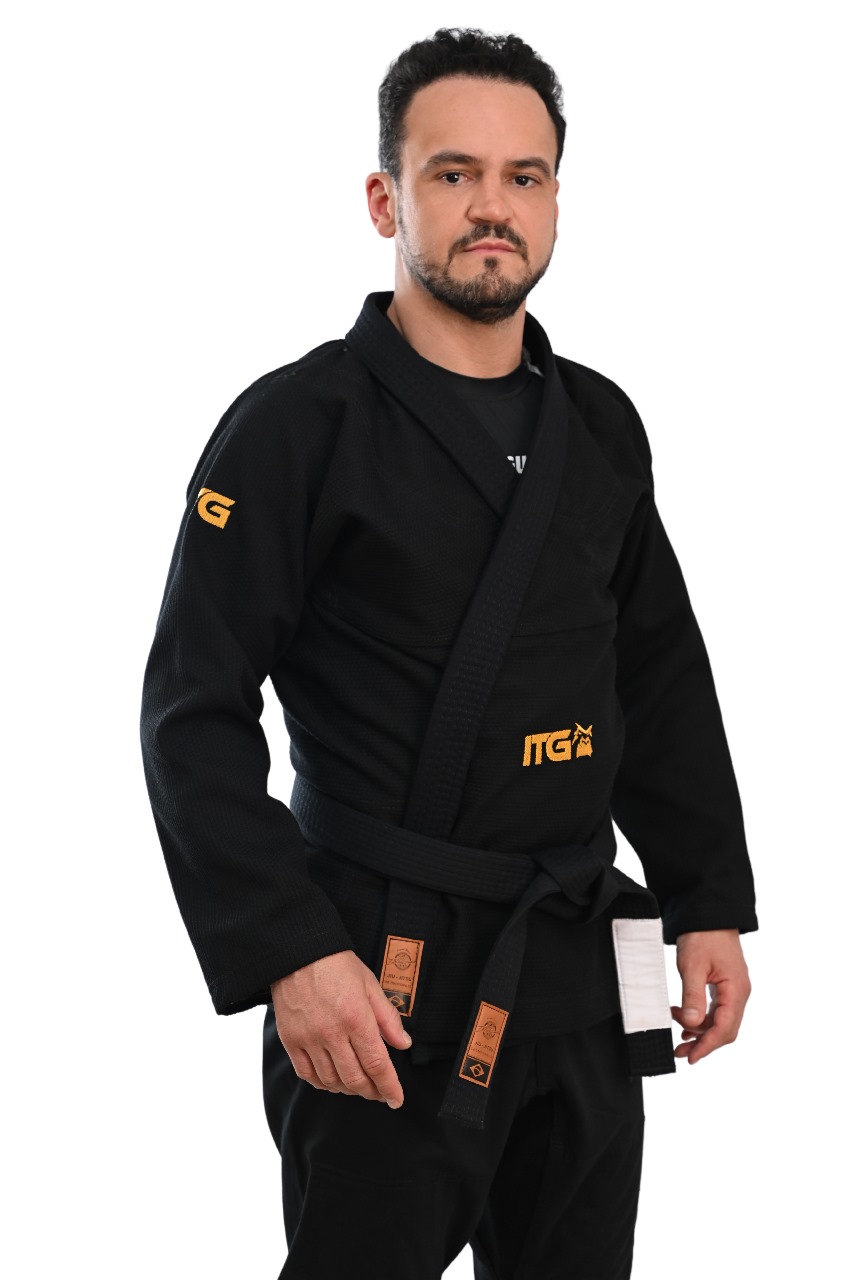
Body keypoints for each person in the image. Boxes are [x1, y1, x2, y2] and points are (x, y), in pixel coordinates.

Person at [140, 27, 758, 1280]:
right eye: (453, 172)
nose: (492, 206)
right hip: (382, 977)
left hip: (576, 954)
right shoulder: (294, 426)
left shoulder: (597, 419)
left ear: (554, 201)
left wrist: (706, 899)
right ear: (386, 199)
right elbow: (191, 710)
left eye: (524, 176)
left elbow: (655, 669)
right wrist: (289, 949)